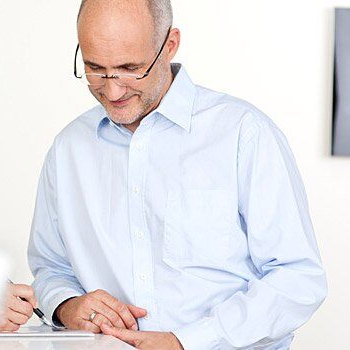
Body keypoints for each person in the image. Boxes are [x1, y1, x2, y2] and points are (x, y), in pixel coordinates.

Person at [27, 1, 327, 349]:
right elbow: (50, 266)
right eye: (95, 69)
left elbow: (298, 279)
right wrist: (67, 305)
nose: (113, 91)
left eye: (130, 68)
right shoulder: (67, 149)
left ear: (169, 45)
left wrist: (186, 342)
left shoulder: (245, 134)